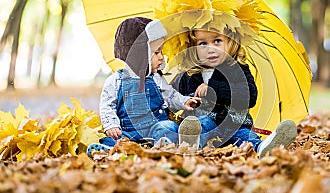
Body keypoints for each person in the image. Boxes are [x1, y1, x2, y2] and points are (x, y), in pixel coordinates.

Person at [172, 28, 297, 158]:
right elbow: (170, 96)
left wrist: (212, 89)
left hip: (234, 126)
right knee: (201, 124)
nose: (211, 49)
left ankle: (263, 148)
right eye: (203, 43)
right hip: (205, 125)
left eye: (217, 41)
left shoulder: (238, 69)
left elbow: (249, 96)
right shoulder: (188, 74)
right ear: (192, 47)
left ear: (230, 42)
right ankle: (191, 143)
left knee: (246, 137)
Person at [86, 17, 201, 156]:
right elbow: (107, 106)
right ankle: (109, 150)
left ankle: (163, 145)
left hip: (155, 127)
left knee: (169, 127)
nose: (161, 57)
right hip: (128, 132)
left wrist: (184, 101)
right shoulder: (115, 81)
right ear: (138, 54)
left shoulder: (156, 78)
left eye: (161, 52)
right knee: (113, 139)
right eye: (156, 52)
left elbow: (170, 96)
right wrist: (112, 125)